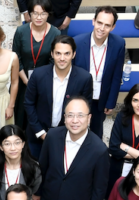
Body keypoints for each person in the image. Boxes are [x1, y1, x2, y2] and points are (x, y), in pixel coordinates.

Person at [35, 97, 107, 200]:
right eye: (70, 115)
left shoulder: (99, 150)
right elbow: (42, 167)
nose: (75, 120)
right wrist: (37, 192)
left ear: (89, 118)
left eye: (80, 115)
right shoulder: (52, 136)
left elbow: (99, 187)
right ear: (64, 118)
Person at [23, 35, 93, 158]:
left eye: (67, 54)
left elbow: (84, 110)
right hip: (37, 135)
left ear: (73, 54)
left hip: (68, 138)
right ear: (52, 54)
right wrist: (41, 133)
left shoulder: (84, 78)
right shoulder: (38, 74)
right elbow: (29, 104)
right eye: (58, 53)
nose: (62, 58)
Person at [72, 6, 126, 137]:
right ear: (93, 21)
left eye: (107, 25)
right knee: (76, 129)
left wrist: (111, 102)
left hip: (101, 97)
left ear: (113, 27)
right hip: (80, 95)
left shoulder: (119, 44)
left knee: (96, 132)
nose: (102, 28)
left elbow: (116, 75)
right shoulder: (77, 42)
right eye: (99, 23)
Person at [12, 0, 60, 135]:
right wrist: (26, 81)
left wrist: (37, 82)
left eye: (43, 13)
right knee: (21, 117)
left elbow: (53, 61)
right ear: (29, 14)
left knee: (39, 117)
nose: (39, 17)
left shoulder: (55, 33)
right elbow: (16, 58)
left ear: (48, 14)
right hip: (22, 81)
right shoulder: (21, 31)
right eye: (35, 13)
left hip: (44, 83)